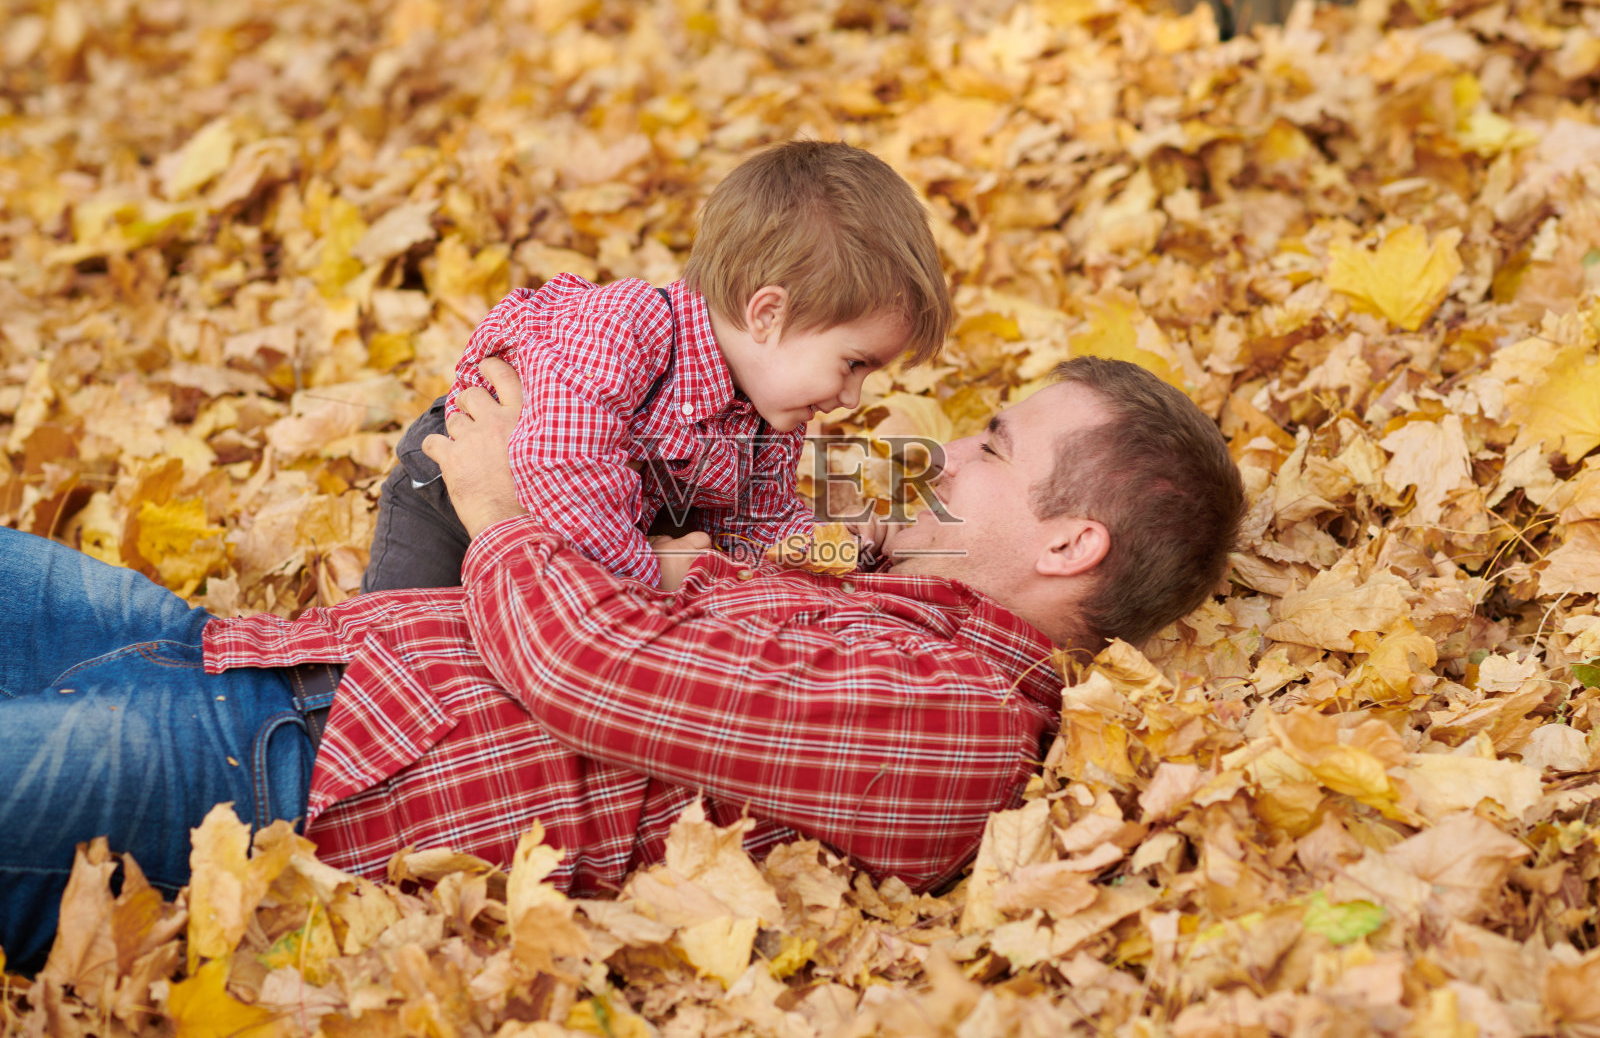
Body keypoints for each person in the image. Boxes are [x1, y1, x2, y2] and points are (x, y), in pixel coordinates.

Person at [0, 356, 1244, 974]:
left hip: (277, 779)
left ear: (1069, 541)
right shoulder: (884, 582)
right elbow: (720, 469)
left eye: (990, 442)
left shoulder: (956, 727)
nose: (945, 452)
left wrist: (502, 512)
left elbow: (591, 670)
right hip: (234, 646)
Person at [363, 140, 951, 594]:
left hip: (596, 528)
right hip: (454, 486)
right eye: (852, 364)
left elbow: (762, 523)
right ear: (768, 314)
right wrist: (649, 575)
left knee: (489, 665)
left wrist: (835, 558)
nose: (851, 396)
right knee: (394, 643)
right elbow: (564, 465)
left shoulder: (770, 420)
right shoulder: (629, 328)